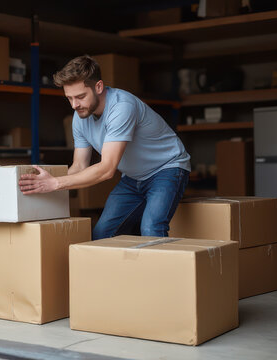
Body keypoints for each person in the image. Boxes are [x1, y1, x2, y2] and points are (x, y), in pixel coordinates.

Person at [18, 55, 191, 239]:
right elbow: (79, 167)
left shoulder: (122, 107)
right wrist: (47, 182)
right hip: (133, 178)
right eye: (69, 98)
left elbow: (107, 169)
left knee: (151, 228)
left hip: (167, 169)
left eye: (80, 96)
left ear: (98, 87)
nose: (75, 105)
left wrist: (55, 184)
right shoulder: (80, 117)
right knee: (102, 233)